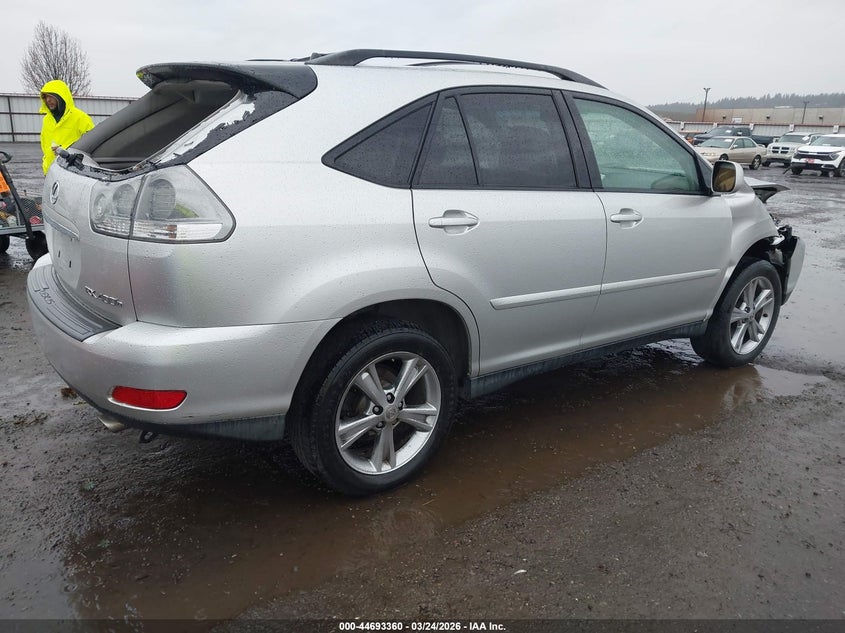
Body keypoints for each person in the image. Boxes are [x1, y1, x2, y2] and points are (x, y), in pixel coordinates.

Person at [39, 79, 94, 174]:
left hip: (72, 170)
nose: (48, 100)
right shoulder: (46, 120)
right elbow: (45, 144)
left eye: (51, 96)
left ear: (61, 97)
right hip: (50, 172)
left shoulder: (80, 117)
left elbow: (93, 143)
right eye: (46, 97)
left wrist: (74, 156)